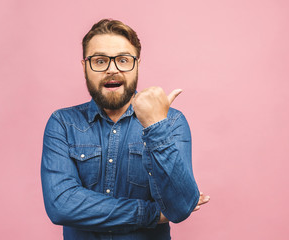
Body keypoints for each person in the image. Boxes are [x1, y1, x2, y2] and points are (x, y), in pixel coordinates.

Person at [41, 19, 210, 240]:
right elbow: (61, 205)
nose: (113, 69)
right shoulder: (62, 123)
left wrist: (155, 126)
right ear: (85, 67)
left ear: (137, 64)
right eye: (100, 61)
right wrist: (152, 213)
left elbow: (179, 208)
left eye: (123, 60)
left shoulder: (171, 121)